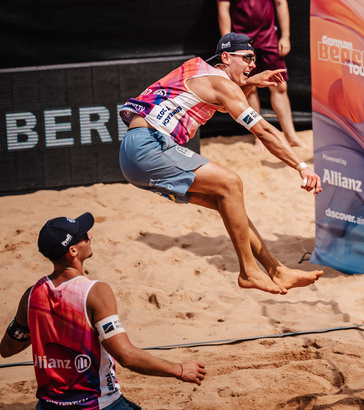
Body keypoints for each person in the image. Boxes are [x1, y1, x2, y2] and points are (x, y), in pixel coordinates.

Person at [119, 33, 324, 294]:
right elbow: (262, 131)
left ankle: (277, 270)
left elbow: (225, 103)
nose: (252, 64)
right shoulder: (219, 84)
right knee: (231, 183)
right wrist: (301, 166)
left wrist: (251, 82)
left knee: (225, 202)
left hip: (134, 156)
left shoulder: (200, 72)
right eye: (247, 58)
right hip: (148, 146)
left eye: (255, 59)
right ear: (226, 57)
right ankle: (249, 272)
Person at [0, 213, 206, 407]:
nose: (90, 235)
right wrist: (179, 370)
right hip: (98, 405)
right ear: (72, 251)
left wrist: (38, 325)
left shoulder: (31, 295)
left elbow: (8, 349)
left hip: (48, 405)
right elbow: (127, 356)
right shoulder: (95, 292)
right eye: (83, 236)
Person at [216, 0, 304, 151]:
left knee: (279, 87)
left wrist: (285, 36)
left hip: (269, 38)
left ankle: (291, 135)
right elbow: (223, 10)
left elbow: (281, 3)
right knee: (249, 88)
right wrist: (227, 44)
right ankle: (259, 136)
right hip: (242, 44)